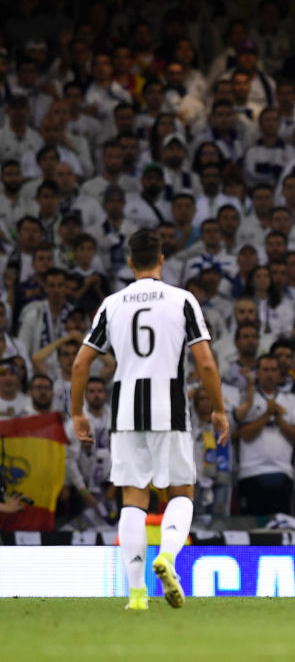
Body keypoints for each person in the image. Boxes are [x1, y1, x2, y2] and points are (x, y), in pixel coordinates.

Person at [70, 229, 229, 612]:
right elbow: (206, 363)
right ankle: (168, 556)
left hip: (125, 411)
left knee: (133, 498)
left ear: (130, 262)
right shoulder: (182, 300)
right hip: (168, 407)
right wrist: (219, 408)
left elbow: (80, 363)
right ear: (161, 259)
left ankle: (137, 594)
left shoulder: (112, 304)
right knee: (181, 492)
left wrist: (77, 412)